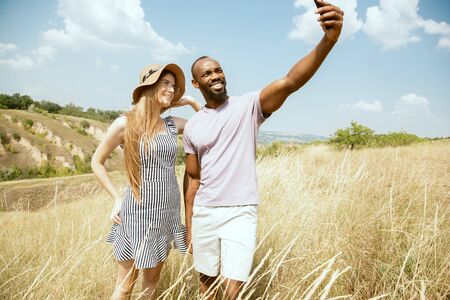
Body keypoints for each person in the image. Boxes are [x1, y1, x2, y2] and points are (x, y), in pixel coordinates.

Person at [183, 1, 344, 299]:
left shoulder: (248, 106)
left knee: (233, 290)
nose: (216, 75)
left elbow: (290, 81)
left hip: (240, 212)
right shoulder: (193, 127)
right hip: (205, 212)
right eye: (207, 73)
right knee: (206, 288)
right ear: (196, 83)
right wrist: (189, 226)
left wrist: (328, 41)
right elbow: (192, 180)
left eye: (219, 70)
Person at [91, 63, 201, 300]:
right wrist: (116, 199)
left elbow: (207, 126)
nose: (172, 90)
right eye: (165, 84)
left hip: (167, 212)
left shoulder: (172, 124)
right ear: (148, 87)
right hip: (136, 213)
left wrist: (191, 103)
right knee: (125, 285)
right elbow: (96, 162)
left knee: (151, 282)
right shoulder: (125, 124)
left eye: (173, 86)